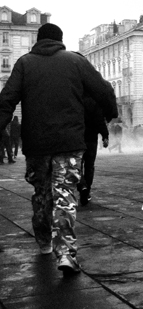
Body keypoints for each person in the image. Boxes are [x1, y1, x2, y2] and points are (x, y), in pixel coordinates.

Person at [0, 23, 117, 275]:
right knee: (65, 195)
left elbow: (6, 99)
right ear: (60, 40)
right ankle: (66, 253)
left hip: (36, 145)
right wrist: (110, 113)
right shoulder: (75, 61)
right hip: (69, 143)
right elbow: (104, 89)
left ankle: (43, 241)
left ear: (38, 40)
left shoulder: (24, 63)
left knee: (42, 194)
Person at [77, 96, 109, 206]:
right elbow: (100, 120)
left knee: (76, 166)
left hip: (78, 139)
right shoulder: (94, 101)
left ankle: (82, 186)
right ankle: (87, 191)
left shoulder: (76, 99)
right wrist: (105, 136)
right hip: (91, 139)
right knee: (89, 166)